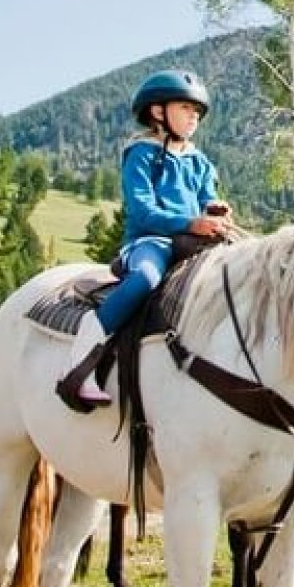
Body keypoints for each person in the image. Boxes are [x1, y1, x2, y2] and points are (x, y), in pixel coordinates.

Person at [61, 69, 233, 406]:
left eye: (197, 112)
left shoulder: (200, 162)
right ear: (158, 112)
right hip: (150, 242)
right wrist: (191, 222)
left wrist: (214, 211)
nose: (193, 117)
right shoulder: (141, 154)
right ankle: (80, 363)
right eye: (186, 108)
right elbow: (142, 211)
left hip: (195, 244)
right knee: (146, 278)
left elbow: (205, 199)